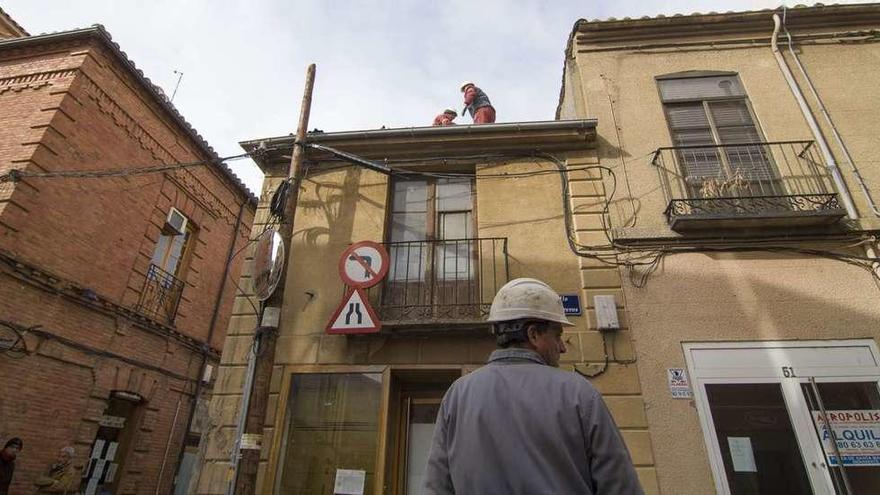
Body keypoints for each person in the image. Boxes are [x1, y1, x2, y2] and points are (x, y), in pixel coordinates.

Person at [423, 278, 643, 494]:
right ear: (533, 334)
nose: (562, 347)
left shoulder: (458, 395)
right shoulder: (579, 393)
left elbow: (436, 485)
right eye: (557, 335)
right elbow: (620, 486)